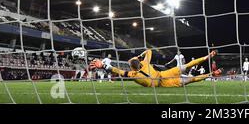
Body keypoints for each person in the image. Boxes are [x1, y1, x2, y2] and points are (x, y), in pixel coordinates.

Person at [90, 49, 222, 87]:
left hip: (165, 79)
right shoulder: (145, 63)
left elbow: (117, 71)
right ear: (139, 62)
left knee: (191, 78)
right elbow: (149, 50)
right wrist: (141, 55)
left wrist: (105, 66)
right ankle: (208, 61)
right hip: (164, 79)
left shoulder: (133, 75)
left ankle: (211, 73)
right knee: (188, 70)